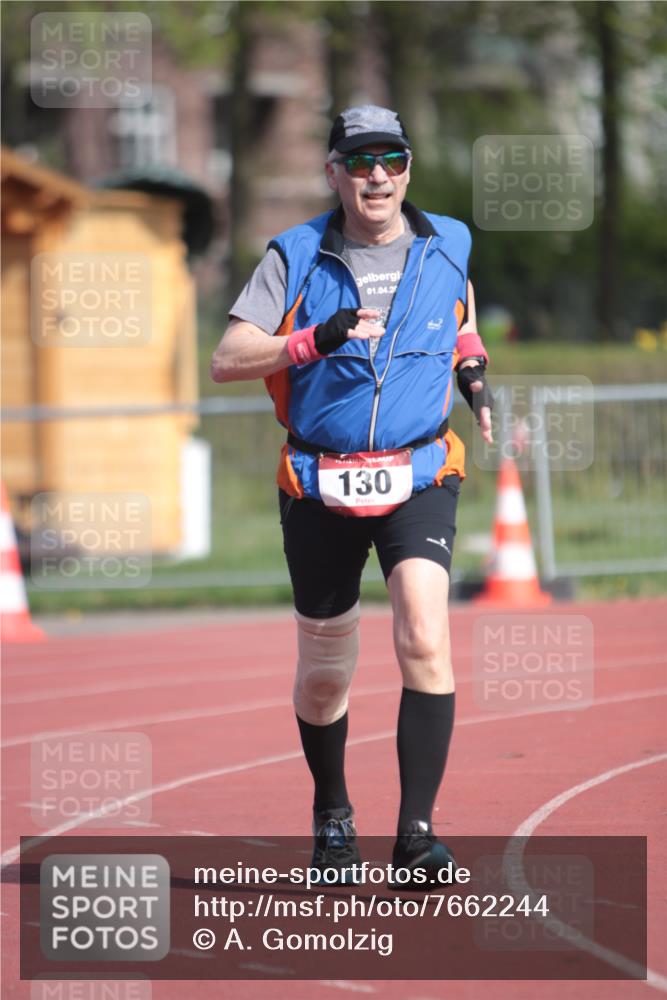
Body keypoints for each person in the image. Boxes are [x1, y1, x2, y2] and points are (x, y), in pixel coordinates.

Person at [211, 105, 493, 883]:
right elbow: (228, 357)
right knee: (326, 670)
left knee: (424, 634)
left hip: (418, 471)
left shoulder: (448, 240)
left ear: (408, 169)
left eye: (391, 160)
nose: (377, 176)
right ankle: (332, 817)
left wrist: (472, 374)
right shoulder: (294, 253)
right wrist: (311, 339)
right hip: (318, 479)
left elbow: (459, 314)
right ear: (333, 171)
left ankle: (416, 835)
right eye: (360, 161)